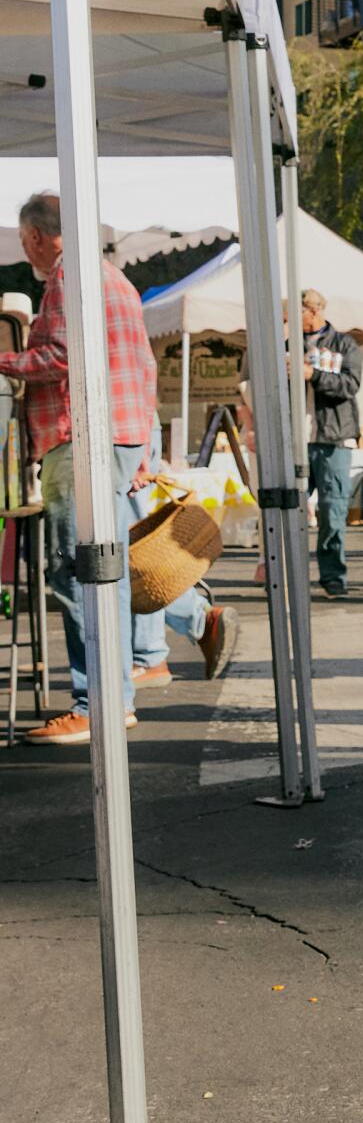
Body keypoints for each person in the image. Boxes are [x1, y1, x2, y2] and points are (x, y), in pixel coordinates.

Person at [0, 191, 157, 741]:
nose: (27, 251)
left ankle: (98, 704)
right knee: (103, 570)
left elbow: (60, 356)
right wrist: (142, 446)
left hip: (81, 436)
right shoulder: (114, 276)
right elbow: (143, 362)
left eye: (25, 241)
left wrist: (4, 360)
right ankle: (113, 699)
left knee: (80, 572)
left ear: (37, 236)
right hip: (118, 433)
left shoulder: (70, 279)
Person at [130, 426, 238, 687]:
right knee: (132, 551)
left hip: (123, 437)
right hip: (130, 436)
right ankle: (197, 617)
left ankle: (150, 655)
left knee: (134, 556)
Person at [298, 288, 361, 600]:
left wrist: (314, 375)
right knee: (291, 510)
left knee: (332, 510)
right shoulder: (287, 343)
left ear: (313, 311)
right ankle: (291, 574)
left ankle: (333, 576)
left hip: (333, 438)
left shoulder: (344, 343)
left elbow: (351, 385)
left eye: (298, 312)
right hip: (296, 439)